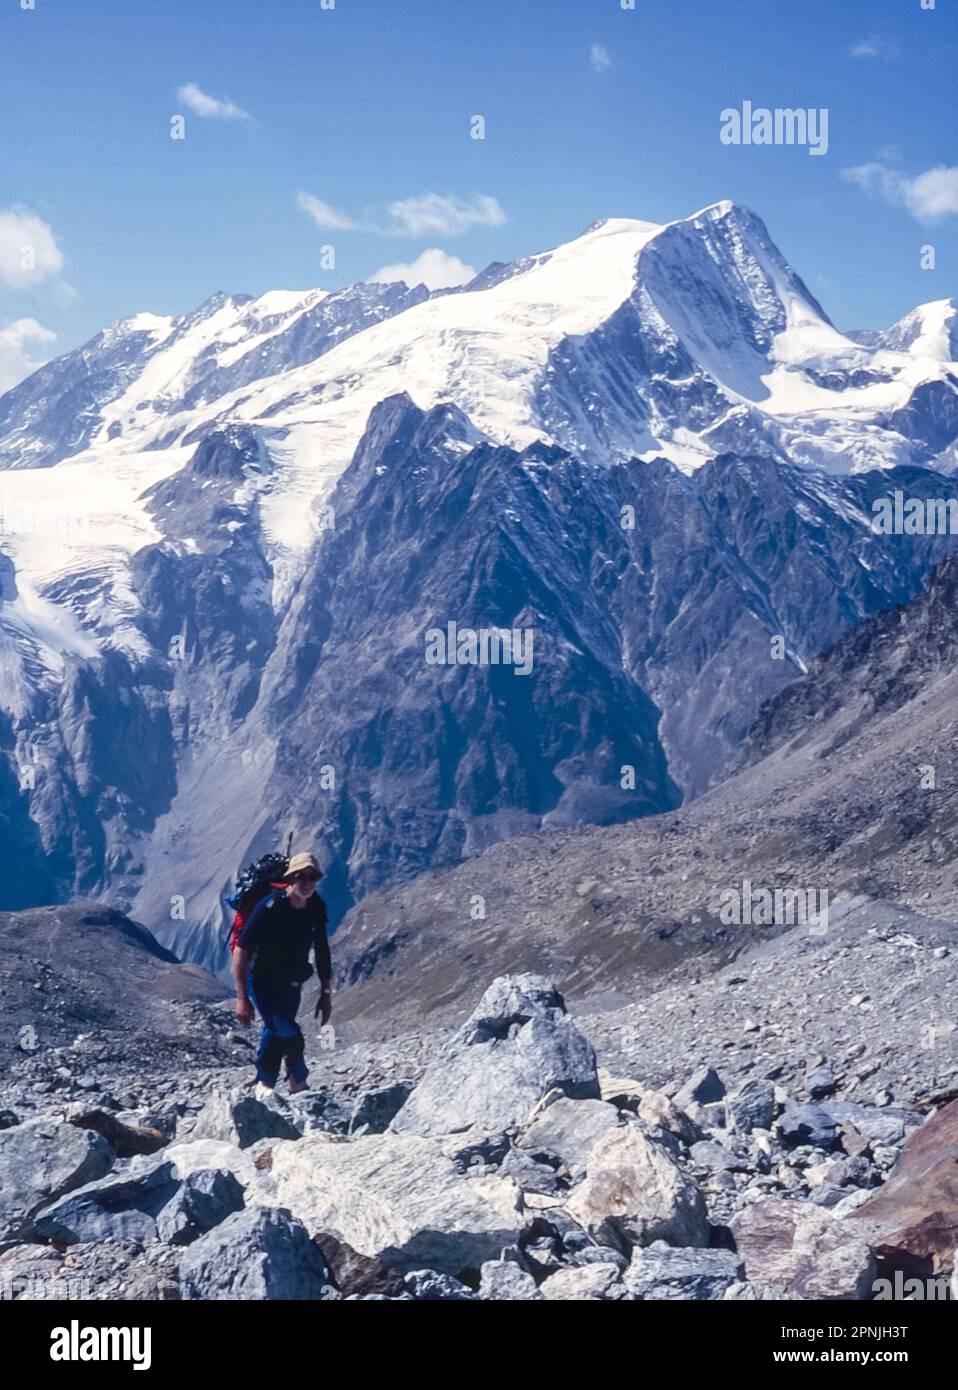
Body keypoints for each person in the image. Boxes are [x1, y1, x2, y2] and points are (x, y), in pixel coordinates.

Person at [231, 851, 332, 1094]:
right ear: (290, 879)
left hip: (292, 984)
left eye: (313, 876)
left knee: (274, 1031)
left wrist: (326, 994)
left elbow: (322, 950)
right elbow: (242, 950)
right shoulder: (270, 907)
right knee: (290, 1032)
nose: (307, 882)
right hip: (263, 983)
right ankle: (300, 1085)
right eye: (300, 876)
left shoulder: (316, 907)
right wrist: (242, 997)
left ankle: (264, 1085)